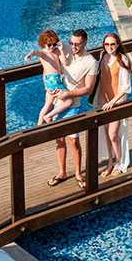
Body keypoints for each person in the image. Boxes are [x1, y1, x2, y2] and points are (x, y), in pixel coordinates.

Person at [47, 28, 98, 190]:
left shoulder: (90, 62)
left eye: (77, 44)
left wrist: (67, 93)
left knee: (73, 141)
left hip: (72, 104)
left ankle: (78, 173)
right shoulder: (66, 49)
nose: (73, 46)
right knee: (59, 139)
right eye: (71, 43)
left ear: (85, 43)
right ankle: (62, 172)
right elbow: (48, 47)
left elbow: (88, 89)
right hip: (57, 101)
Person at [95, 33, 131, 176]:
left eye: (112, 44)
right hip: (104, 103)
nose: (109, 47)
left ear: (118, 44)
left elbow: (126, 88)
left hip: (116, 103)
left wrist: (112, 102)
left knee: (113, 134)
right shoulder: (102, 57)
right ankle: (110, 162)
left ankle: (119, 162)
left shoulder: (123, 60)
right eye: (106, 44)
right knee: (106, 134)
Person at [25, 29, 73, 125]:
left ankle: (38, 127)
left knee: (48, 106)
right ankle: (48, 117)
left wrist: (61, 50)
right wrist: (29, 55)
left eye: (54, 44)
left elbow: (65, 63)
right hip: (52, 80)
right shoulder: (43, 53)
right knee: (69, 101)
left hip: (54, 80)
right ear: (43, 44)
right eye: (49, 45)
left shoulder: (56, 51)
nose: (52, 47)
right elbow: (35, 52)